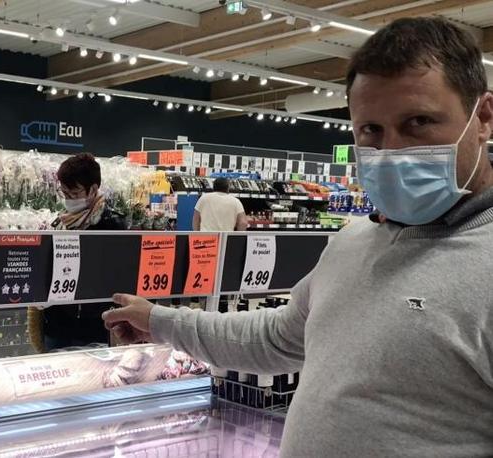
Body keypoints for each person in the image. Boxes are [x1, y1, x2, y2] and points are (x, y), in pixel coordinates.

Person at [102, 18, 493, 457]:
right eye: (370, 131)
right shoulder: (353, 242)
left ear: (483, 117)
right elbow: (276, 338)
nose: (391, 152)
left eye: (418, 122)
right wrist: (159, 320)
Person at [29, 153, 125, 352]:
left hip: (94, 328)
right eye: (64, 193)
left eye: (74, 193)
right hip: (56, 326)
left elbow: (116, 279)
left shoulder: (112, 227)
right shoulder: (60, 222)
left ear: (93, 189)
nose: (68, 200)